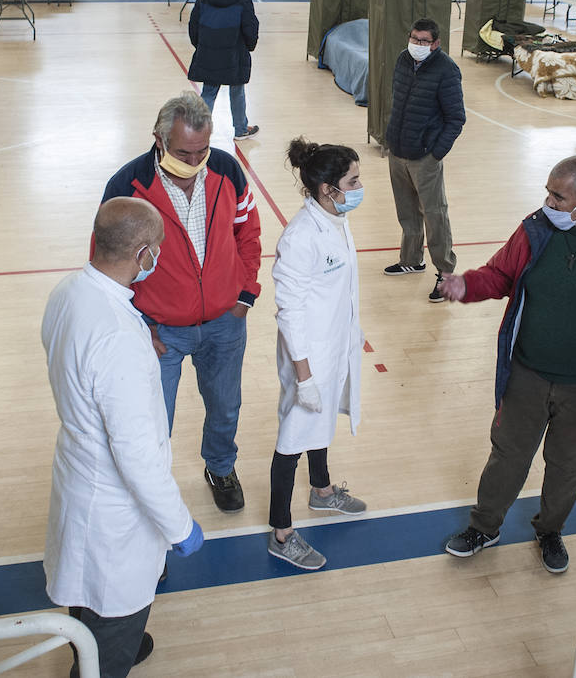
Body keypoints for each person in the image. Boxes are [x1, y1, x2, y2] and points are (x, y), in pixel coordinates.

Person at [437, 155, 576, 574]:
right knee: (507, 455)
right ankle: (484, 527)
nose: (548, 202)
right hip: (526, 374)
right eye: (547, 191)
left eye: (558, 196)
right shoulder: (536, 228)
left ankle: (550, 531)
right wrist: (465, 285)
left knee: (567, 466)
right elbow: (501, 274)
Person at [42, 197, 203, 678]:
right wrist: (179, 526)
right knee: (112, 615)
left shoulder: (69, 292)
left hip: (79, 475)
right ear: (142, 253)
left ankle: (112, 645)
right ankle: (108, 656)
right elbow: (135, 457)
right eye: (157, 250)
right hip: (112, 510)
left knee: (88, 598)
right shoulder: (117, 337)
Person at [101, 92, 262, 514]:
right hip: (159, 332)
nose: (194, 163)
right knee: (154, 424)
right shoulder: (126, 187)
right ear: (158, 139)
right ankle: (151, 498)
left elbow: (248, 232)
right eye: (183, 153)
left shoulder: (227, 169)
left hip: (225, 324)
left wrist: (245, 294)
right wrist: (139, 325)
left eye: (202, 151)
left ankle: (220, 468)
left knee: (226, 408)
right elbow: (106, 268)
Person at [267, 138, 369, 571]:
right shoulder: (301, 237)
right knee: (293, 438)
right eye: (354, 180)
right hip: (308, 355)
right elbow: (289, 312)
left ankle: (322, 491)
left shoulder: (334, 218)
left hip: (334, 347)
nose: (360, 186)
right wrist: (304, 377)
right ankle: (281, 532)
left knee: (322, 422)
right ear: (329, 189)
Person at [383, 17, 465, 303]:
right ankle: (411, 259)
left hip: (425, 157)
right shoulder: (403, 60)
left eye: (423, 41)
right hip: (398, 150)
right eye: (414, 39)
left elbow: (456, 118)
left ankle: (445, 272)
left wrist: (436, 152)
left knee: (435, 214)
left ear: (436, 43)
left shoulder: (447, 70)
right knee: (407, 211)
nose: (417, 45)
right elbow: (397, 100)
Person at [188, 0, 260, 141]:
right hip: (234, 53)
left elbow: (193, 23)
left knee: (209, 92)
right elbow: (250, 26)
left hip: (209, 51)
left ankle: (199, 132)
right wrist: (249, 46)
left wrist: (201, 45)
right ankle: (241, 129)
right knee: (237, 91)